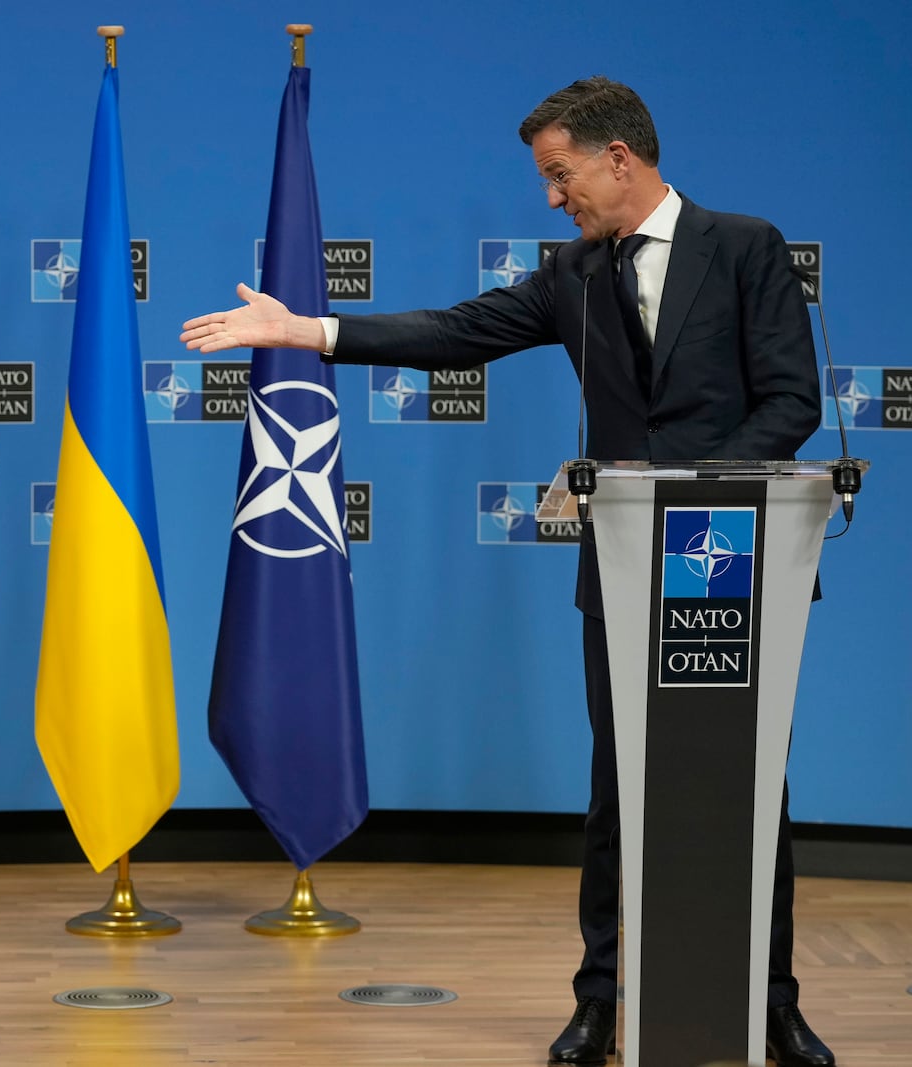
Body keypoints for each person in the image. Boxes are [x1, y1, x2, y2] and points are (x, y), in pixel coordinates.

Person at [180, 77, 832, 1067]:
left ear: (620, 157)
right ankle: (601, 999)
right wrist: (302, 331)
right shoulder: (572, 274)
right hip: (619, 574)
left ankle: (773, 1000)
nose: (551, 197)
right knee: (618, 789)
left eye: (558, 173)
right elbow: (456, 334)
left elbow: (789, 404)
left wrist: (677, 494)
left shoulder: (743, 246)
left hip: (732, 572)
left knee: (751, 789)